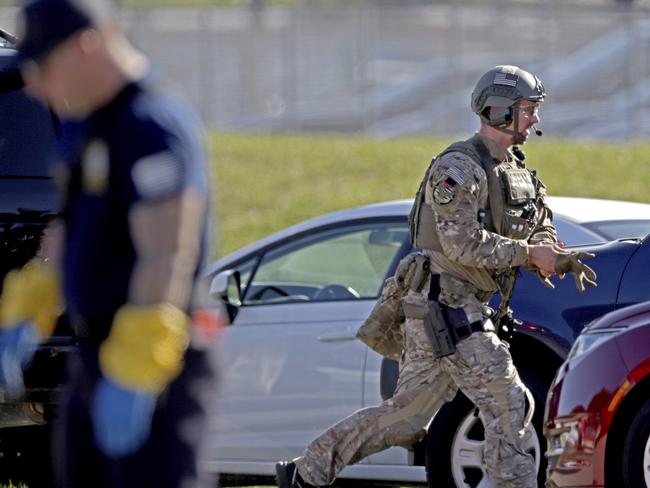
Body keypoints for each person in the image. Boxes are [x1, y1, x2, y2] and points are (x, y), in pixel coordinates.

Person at [275, 65, 597, 488]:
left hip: (461, 307)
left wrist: (553, 253)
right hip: (446, 304)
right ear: (500, 112)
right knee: (508, 400)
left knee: (405, 420)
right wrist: (526, 254)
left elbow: (539, 224)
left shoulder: (517, 171)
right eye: (528, 110)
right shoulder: (458, 168)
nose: (535, 119)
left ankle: (306, 472)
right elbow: (460, 244)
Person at [0, 0, 225, 486]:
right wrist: (32, 300)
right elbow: (69, 227)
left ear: (87, 45)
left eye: (41, 66)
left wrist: (138, 365)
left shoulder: (151, 124)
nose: (34, 84)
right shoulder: (84, 125)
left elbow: (168, 251)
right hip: (98, 349)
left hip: (152, 358)